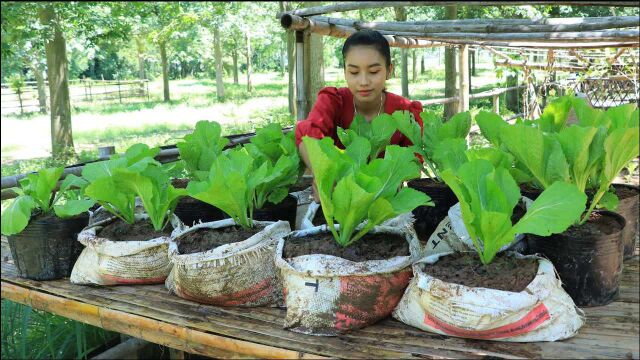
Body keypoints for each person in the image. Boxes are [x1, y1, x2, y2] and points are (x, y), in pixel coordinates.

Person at [295, 29, 425, 202]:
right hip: (339, 200)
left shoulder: (405, 111)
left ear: (389, 70)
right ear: (345, 72)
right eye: (354, 72)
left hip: (384, 202)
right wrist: (322, 174)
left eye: (373, 72)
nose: (363, 81)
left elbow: (414, 163)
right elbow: (306, 133)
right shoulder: (333, 101)